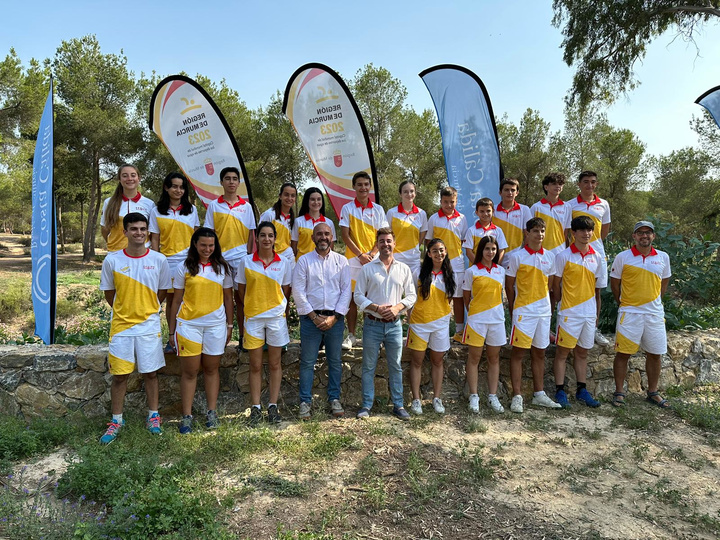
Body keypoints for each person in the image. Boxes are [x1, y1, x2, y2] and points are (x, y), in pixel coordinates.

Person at [98, 213, 171, 444]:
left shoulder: (159, 260)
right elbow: (110, 294)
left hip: (149, 326)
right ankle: (116, 421)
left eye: (142, 229)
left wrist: (148, 310)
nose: (139, 233)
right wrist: (125, 310)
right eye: (134, 229)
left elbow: (162, 292)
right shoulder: (112, 260)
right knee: (120, 376)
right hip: (121, 327)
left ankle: (153, 416)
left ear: (147, 231)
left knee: (150, 373)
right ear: (125, 232)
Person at [168, 228, 233, 434]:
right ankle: (187, 416)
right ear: (195, 244)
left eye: (211, 245)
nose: (207, 249)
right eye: (203, 245)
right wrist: (171, 331)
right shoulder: (183, 268)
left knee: (212, 370)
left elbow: (229, 299)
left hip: (216, 326)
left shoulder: (223, 268)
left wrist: (230, 326)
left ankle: (211, 413)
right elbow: (176, 300)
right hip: (188, 326)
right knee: (189, 372)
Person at [354, 228, 417, 421]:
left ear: (394, 243)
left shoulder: (403, 269)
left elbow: (412, 296)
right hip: (372, 324)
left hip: (394, 325)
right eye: (381, 241)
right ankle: (366, 405)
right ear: (377, 244)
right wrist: (375, 307)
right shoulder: (367, 269)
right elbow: (357, 296)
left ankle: (398, 405)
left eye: (389, 241)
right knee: (368, 367)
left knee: (395, 366)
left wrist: (398, 307)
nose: (386, 244)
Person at [293, 222, 352, 419]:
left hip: (334, 320)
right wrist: (314, 317)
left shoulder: (342, 261)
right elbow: (298, 291)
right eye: (319, 234)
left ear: (332, 238)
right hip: (311, 320)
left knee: (335, 361)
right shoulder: (304, 261)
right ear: (313, 238)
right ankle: (305, 402)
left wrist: (335, 318)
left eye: (327, 234)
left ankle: (334, 398)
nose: (323, 237)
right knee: (307, 362)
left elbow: (346, 291)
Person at [235, 222, 292, 424]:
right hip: (253, 318)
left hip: (276, 318)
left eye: (270, 235)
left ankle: (273, 406)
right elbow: (241, 292)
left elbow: (286, 290)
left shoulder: (284, 262)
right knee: (255, 365)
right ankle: (256, 407)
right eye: (263, 235)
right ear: (256, 238)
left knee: (275, 363)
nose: (266, 239)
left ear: (275, 238)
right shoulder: (246, 262)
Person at [610, 221, 672, 408]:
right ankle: (619, 392)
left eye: (648, 233)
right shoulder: (623, 257)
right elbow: (615, 284)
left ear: (653, 236)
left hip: (654, 314)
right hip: (629, 313)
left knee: (655, 354)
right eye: (640, 233)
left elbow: (664, 282)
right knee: (623, 353)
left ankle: (652, 392)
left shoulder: (663, 257)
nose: (644, 236)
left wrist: (654, 301)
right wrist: (624, 303)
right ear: (634, 236)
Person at [505, 217, 560, 413]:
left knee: (540, 352)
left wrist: (549, 310)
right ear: (526, 233)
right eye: (535, 231)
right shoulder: (516, 257)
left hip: (543, 312)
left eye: (542, 231)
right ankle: (517, 396)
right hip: (523, 312)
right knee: (518, 353)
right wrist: (513, 309)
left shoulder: (551, 257)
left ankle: (539, 394)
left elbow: (551, 286)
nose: (539, 235)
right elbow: (509, 287)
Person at [552, 216, 603, 409]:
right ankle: (560, 390)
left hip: (588, 313)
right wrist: (562, 305)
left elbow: (597, 290)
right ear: (573, 233)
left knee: (582, 352)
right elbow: (555, 286)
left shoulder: (597, 257)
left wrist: (596, 314)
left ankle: (582, 390)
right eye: (581, 230)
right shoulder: (563, 256)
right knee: (563, 352)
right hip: (568, 312)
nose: (586, 234)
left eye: (589, 230)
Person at [149, 172, 200, 352]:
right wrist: (156, 262)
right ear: (166, 187)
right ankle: (171, 339)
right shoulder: (156, 211)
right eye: (174, 186)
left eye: (181, 187)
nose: (178, 190)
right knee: (171, 301)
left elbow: (196, 238)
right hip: (167, 262)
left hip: (188, 262)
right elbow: (154, 239)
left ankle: (186, 337)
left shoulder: (192, 210)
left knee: (188, 299)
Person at [204, 167, 256, 342]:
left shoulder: (246, 207)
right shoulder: (214, 205)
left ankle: (243, 336)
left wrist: (248, 256)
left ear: (239, 183)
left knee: (242, 299)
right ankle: (221, 336)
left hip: (241, 259)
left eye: (235, 179)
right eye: (227, 178)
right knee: (220, 300)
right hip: (220, 260)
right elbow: (209, 233)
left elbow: (251, 235)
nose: (231, 182)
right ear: (221, 182)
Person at [339, 172, 388, 349]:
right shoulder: (347, 208)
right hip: (353, 260)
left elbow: (381, 235)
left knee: (373, 298)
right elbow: (345, 235)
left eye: (366, 184)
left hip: (374, 260)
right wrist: (360, 255)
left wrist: (372, 253)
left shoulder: (378, 210)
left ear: (370, 186)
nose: (363, 188)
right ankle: (351, 335)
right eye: (359, 184)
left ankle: (372, 336)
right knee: (352, 299)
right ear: (354, 187)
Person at [407, 238, 455, 415]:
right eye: (435, 251)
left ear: (446, 252)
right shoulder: (418, 272)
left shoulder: (449, 274)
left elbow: (448, 299)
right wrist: (410, 318)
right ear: (428, 253)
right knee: (417, 361)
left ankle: (436, 398)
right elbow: (410, 296)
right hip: (419, 324)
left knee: (437, 361)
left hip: (440, 325)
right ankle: (416, 399)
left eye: (441, 250)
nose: (439, 254)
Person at [567, 171, 612, 346]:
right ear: (578, 184)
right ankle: (570, 326)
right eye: (585, 182)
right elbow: (567, 231)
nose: (589, 185)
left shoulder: (604, 204)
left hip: (597, 254)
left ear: (596, 184)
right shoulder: (570, 205)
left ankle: (594, 328)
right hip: (575, 255)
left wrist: (595, 244)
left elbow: (604, 231)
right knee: (572, 289)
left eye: (593, 182)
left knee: (596, 291)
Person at [463, 236, 507, 414]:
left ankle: (492, 396)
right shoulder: (471, 271)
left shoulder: (500, 271)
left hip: (497, 321)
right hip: (477, 321)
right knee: (474, 359)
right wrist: (476, 313)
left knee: (494, 359)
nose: (490, 252)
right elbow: (467, 298)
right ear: (481, 250)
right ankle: (474, 397)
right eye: (487, 249)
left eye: (494, 249)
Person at [425, 186, 468, 342]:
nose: (449, 205)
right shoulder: (433, 219)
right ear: (440, 201)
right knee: (441, 297)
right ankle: (437, 328)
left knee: (458, 298)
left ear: (456, 201)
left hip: (457, 265)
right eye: (445, 202)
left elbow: (463, 240)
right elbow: (429, 242)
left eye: (452, 202)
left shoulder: (462, 218)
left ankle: (459, 331)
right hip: (438, 265)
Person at [100, 164, 155, 253]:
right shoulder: (109, 202)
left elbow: (152, 232)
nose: (129, 178)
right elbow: (104, 230)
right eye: (125, 176)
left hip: (142, 254)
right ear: (119, 179)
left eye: (133, 175)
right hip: (116, 253)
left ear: (139, 178)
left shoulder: (149, 204)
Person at [386, 180, 428, 283]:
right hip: (396, 258)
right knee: (395, 292)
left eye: (411, 191)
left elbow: (422, 234)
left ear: (415, 193)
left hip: (414, 260)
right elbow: (387, 235)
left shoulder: (421, 213)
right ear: (400, 194)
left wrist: (415, 246)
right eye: (405, 192)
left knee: (415, 292)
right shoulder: (392, 213)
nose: (409, 194)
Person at [530, 173, 571, 257]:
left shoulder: (567, 207)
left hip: (559, 251)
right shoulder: (536, 207)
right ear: (546, 187)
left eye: (560, 184)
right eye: (554, 184)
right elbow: (529, 232)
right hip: (539, 251)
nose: (558, 186)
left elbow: (566, 232)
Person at [291, 187, 337, 261]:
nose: (316, 202)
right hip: (302, 263)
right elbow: (294, 246)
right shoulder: (298, 221)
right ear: (307, 201)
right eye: (312, 199)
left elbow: (331, 246)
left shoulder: (329, 223)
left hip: (322, 263)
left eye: (319, 199)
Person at [493, 178, 532, 262]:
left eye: (513, 190)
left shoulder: (524, 209)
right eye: (506, 190)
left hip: (517, 257)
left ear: (517, 193)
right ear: (500, 192)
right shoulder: (493, 210)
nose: (510, 193)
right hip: (495, 256)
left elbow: (528, 235)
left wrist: (524, 254)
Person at [259, 182, 297, 267]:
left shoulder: (293, 219)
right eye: (286, 195)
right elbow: (259, 236)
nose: (289, 198)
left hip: (289, 257)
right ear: (280, 196)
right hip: (271, 257)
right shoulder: (269, 215)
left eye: (293, 196)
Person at [463, 197, 508, 264]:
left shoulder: (498, 231)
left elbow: (501, 251)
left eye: (488, 211)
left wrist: (495, 267)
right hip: (476, 271)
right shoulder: (471, 230)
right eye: (482, 211)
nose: (485, 214)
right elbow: (469, 252)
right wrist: (479, 266)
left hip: (493, 272)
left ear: (493, 211)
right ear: (476, 212)